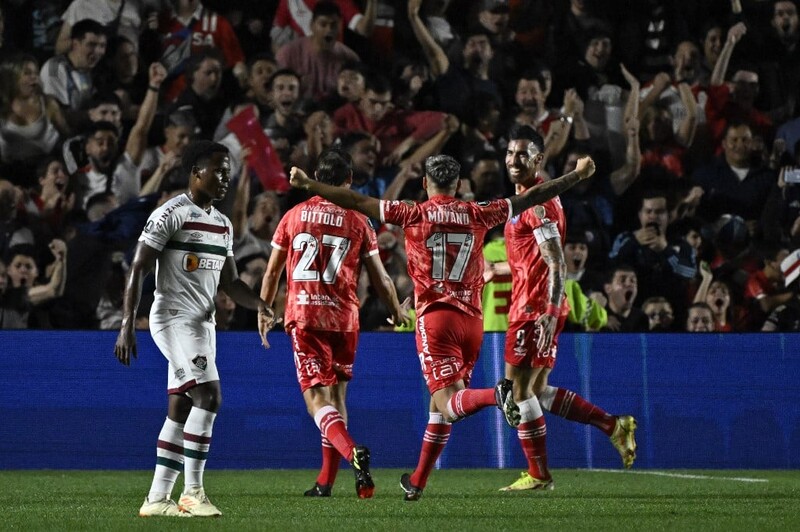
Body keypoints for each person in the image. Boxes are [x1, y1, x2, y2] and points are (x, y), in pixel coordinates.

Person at [286, 148, 597, 501]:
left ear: (424, 183)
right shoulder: (480, 212)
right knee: (441, 408)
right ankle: (417, 480)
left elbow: (355, 199)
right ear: (459, 183)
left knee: (449, 401)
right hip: (471, 323)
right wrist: (576, 175)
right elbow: (535, 195)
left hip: (436, 321)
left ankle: (495, 395)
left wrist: (310, 184)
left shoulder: (411, 212)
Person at [114, 141, 274, 517]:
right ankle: (193, 493)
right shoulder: (169, 213)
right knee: (210, 396)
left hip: (203, 324)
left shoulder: (222, 223)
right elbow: (137, 268)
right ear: (195, 172)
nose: (225, 178)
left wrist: (261, 305)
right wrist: (126, 323)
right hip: (172, 318)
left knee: (180, 408)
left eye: (228, 171)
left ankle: (156, 499)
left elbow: (231, 283)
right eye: (218, 170)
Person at [491, 125, 637, 492]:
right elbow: (532, 259)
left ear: (538, 160)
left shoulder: (538, 204)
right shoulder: (526, 200)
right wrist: (498, 269)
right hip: (536, 302)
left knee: (517, 391)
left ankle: (539, 475)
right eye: (509, 152)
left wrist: (548, 309)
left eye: (522, 154)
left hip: (534, 307)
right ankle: (612, 425)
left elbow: (557, 264)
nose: (513, 160)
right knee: (536, 392)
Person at [258, 147, 410, 498]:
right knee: (338, 396)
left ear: (316, 180)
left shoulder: (294, 217)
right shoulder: (359, 220)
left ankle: (351, 451)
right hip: (344, 319)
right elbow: (382, 278)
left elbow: (272, 272)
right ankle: (326, 481)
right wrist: (396, 310)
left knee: (315, 398)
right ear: (348, 182)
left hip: (307, 315)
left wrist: (264, 309)